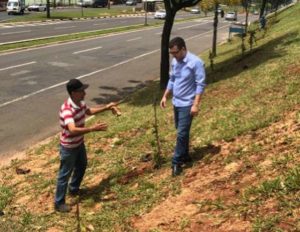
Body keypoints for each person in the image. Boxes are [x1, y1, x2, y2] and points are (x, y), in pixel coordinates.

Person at [54, 79, 117, 212]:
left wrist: (106, 107)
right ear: (73, 93)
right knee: (64, 174)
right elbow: (72, 129)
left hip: (79, 143)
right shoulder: (67, 109)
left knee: (82, 165)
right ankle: (59, 203)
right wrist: (92, 129)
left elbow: (89, 111)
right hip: (69, 147)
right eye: (81, 91)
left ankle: (74, 189)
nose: (84, 93)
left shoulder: (80, 103)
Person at [160, 37, 206, 177]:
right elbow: (172, 80)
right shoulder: (175, 62)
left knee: (181, 133)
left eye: (176, 52)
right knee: (181, 131)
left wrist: (196, 104)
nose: (174, 56)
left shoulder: (196, 62)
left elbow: (200, 84)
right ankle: (185, 155)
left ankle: (176, 162)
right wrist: (165, 95)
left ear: (184, 49)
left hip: (188, 104)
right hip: (176, 102)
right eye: (172, 53)